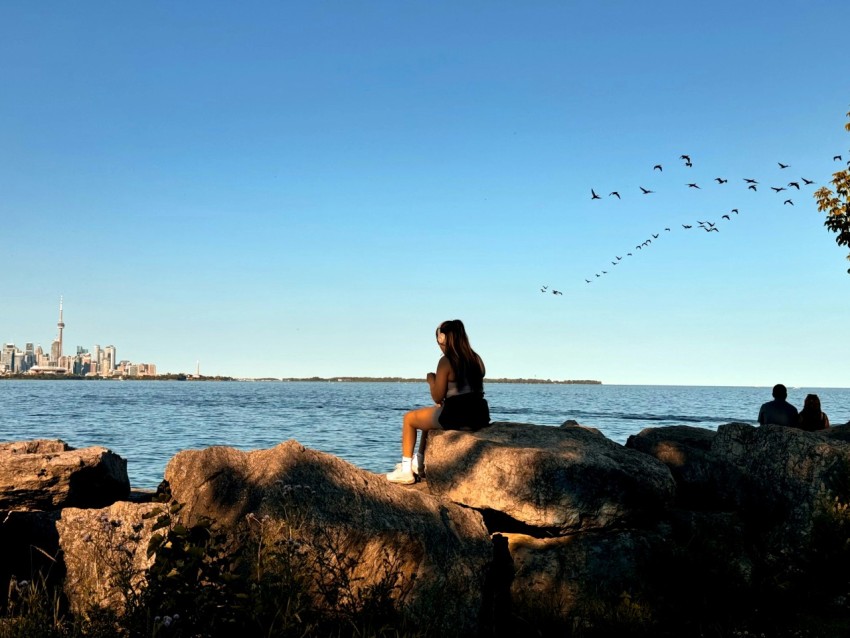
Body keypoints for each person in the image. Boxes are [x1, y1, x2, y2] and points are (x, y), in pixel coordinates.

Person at [386, 319, 490, 485]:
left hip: (458, 415)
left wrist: (431, 380)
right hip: (479, 415)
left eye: (438, 341)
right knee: (431, 417)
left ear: (444, 339)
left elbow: (437, 395)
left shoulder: (446, 361)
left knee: (409, 419)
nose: (439, 346)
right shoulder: (476, 359)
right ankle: (419, 463)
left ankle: (406, 470)